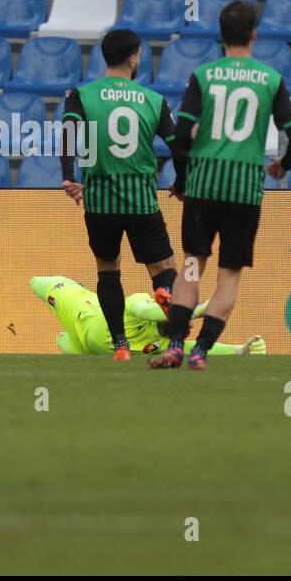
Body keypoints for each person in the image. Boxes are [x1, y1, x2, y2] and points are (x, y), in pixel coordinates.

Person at [150, 0, 291, 372]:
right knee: (229, 274)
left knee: (190, 267)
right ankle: (201, 351)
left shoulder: (203, 76)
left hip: (203, 187)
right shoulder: (270, 79)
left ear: (221, 34)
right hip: (244, 190)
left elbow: (183, 135)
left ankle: (175, 345)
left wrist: (184, 179)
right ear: (254, 34)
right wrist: (282, 165)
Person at [58, 28, 179, 362]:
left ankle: (121, 346)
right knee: (163, 266)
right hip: (141, 201)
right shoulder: (153, 100)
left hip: (98, 202)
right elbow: (177, 145)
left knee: (107, 269)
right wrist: (181, 180)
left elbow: (68, 132)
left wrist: (69, 176)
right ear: (133, 57)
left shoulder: (80, 95)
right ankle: (166, 295)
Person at [30, 276, 263, 356]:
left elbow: (196, 348)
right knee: (37, 283)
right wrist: (200, 309)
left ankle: (72, 344)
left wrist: (238, 350)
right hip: (80, 308)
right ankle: (76, 285)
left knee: (62, 342)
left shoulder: (163, 344)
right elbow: (143, 311)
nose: (189, 326)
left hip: (83, 345)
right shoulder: (138, 304)